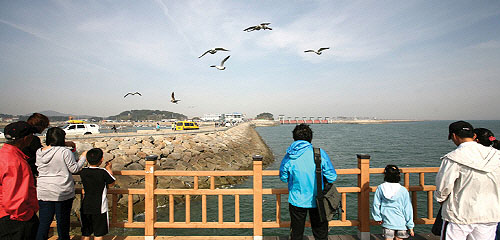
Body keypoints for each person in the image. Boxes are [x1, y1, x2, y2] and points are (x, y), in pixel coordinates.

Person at [435, 121, 500, 240]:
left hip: (459, 214)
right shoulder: (496, 155)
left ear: (454, 136)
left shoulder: (453, 158)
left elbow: (443, 188)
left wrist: (442, 201)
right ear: (474, 136)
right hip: (490, 214)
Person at [279, 124, 337, 240]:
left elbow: (283, 177)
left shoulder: (289, 155)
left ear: (294, 138)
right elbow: (332, 177)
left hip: (296, 199)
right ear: (310, 138)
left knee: (296, 232)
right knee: (320, 233)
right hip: (318, 200)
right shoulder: (319, 153)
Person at [35, 127, 87, 240]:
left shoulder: (39, 152)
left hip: (44, 191)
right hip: (62, 191)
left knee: (44, 223)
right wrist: (83, 157)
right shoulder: (64, 151)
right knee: (62, 222)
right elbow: (74, 169)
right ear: (62, 139)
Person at [0, 121, 39, 240]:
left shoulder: (3, 155)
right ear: (26, 138)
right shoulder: (16, 162)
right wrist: (27, 215)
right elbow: (14, 200)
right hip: (16, 220)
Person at [80, 148, 116, 240]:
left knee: (85, 233)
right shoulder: (102, 172)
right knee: (98, 234)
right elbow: (111, 183)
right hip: (99, 207)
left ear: (87, 160)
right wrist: (109, 169)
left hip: (85, 206)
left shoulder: (83, 171)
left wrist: (83, 157)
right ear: (102, 160)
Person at [372, 165, 415, 240]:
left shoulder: (381, 188)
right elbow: (408, 209)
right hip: (401, 222)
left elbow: (376, 204)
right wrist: (410, 226)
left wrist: (377, 217)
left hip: (387, 222)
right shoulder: (403, 190)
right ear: (398, 175)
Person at [23, 113, 50, 178]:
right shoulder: (33, 139)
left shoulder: (24, 137)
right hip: (29, 172)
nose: (45, 128)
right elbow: (41, 153)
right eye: (45, 126)